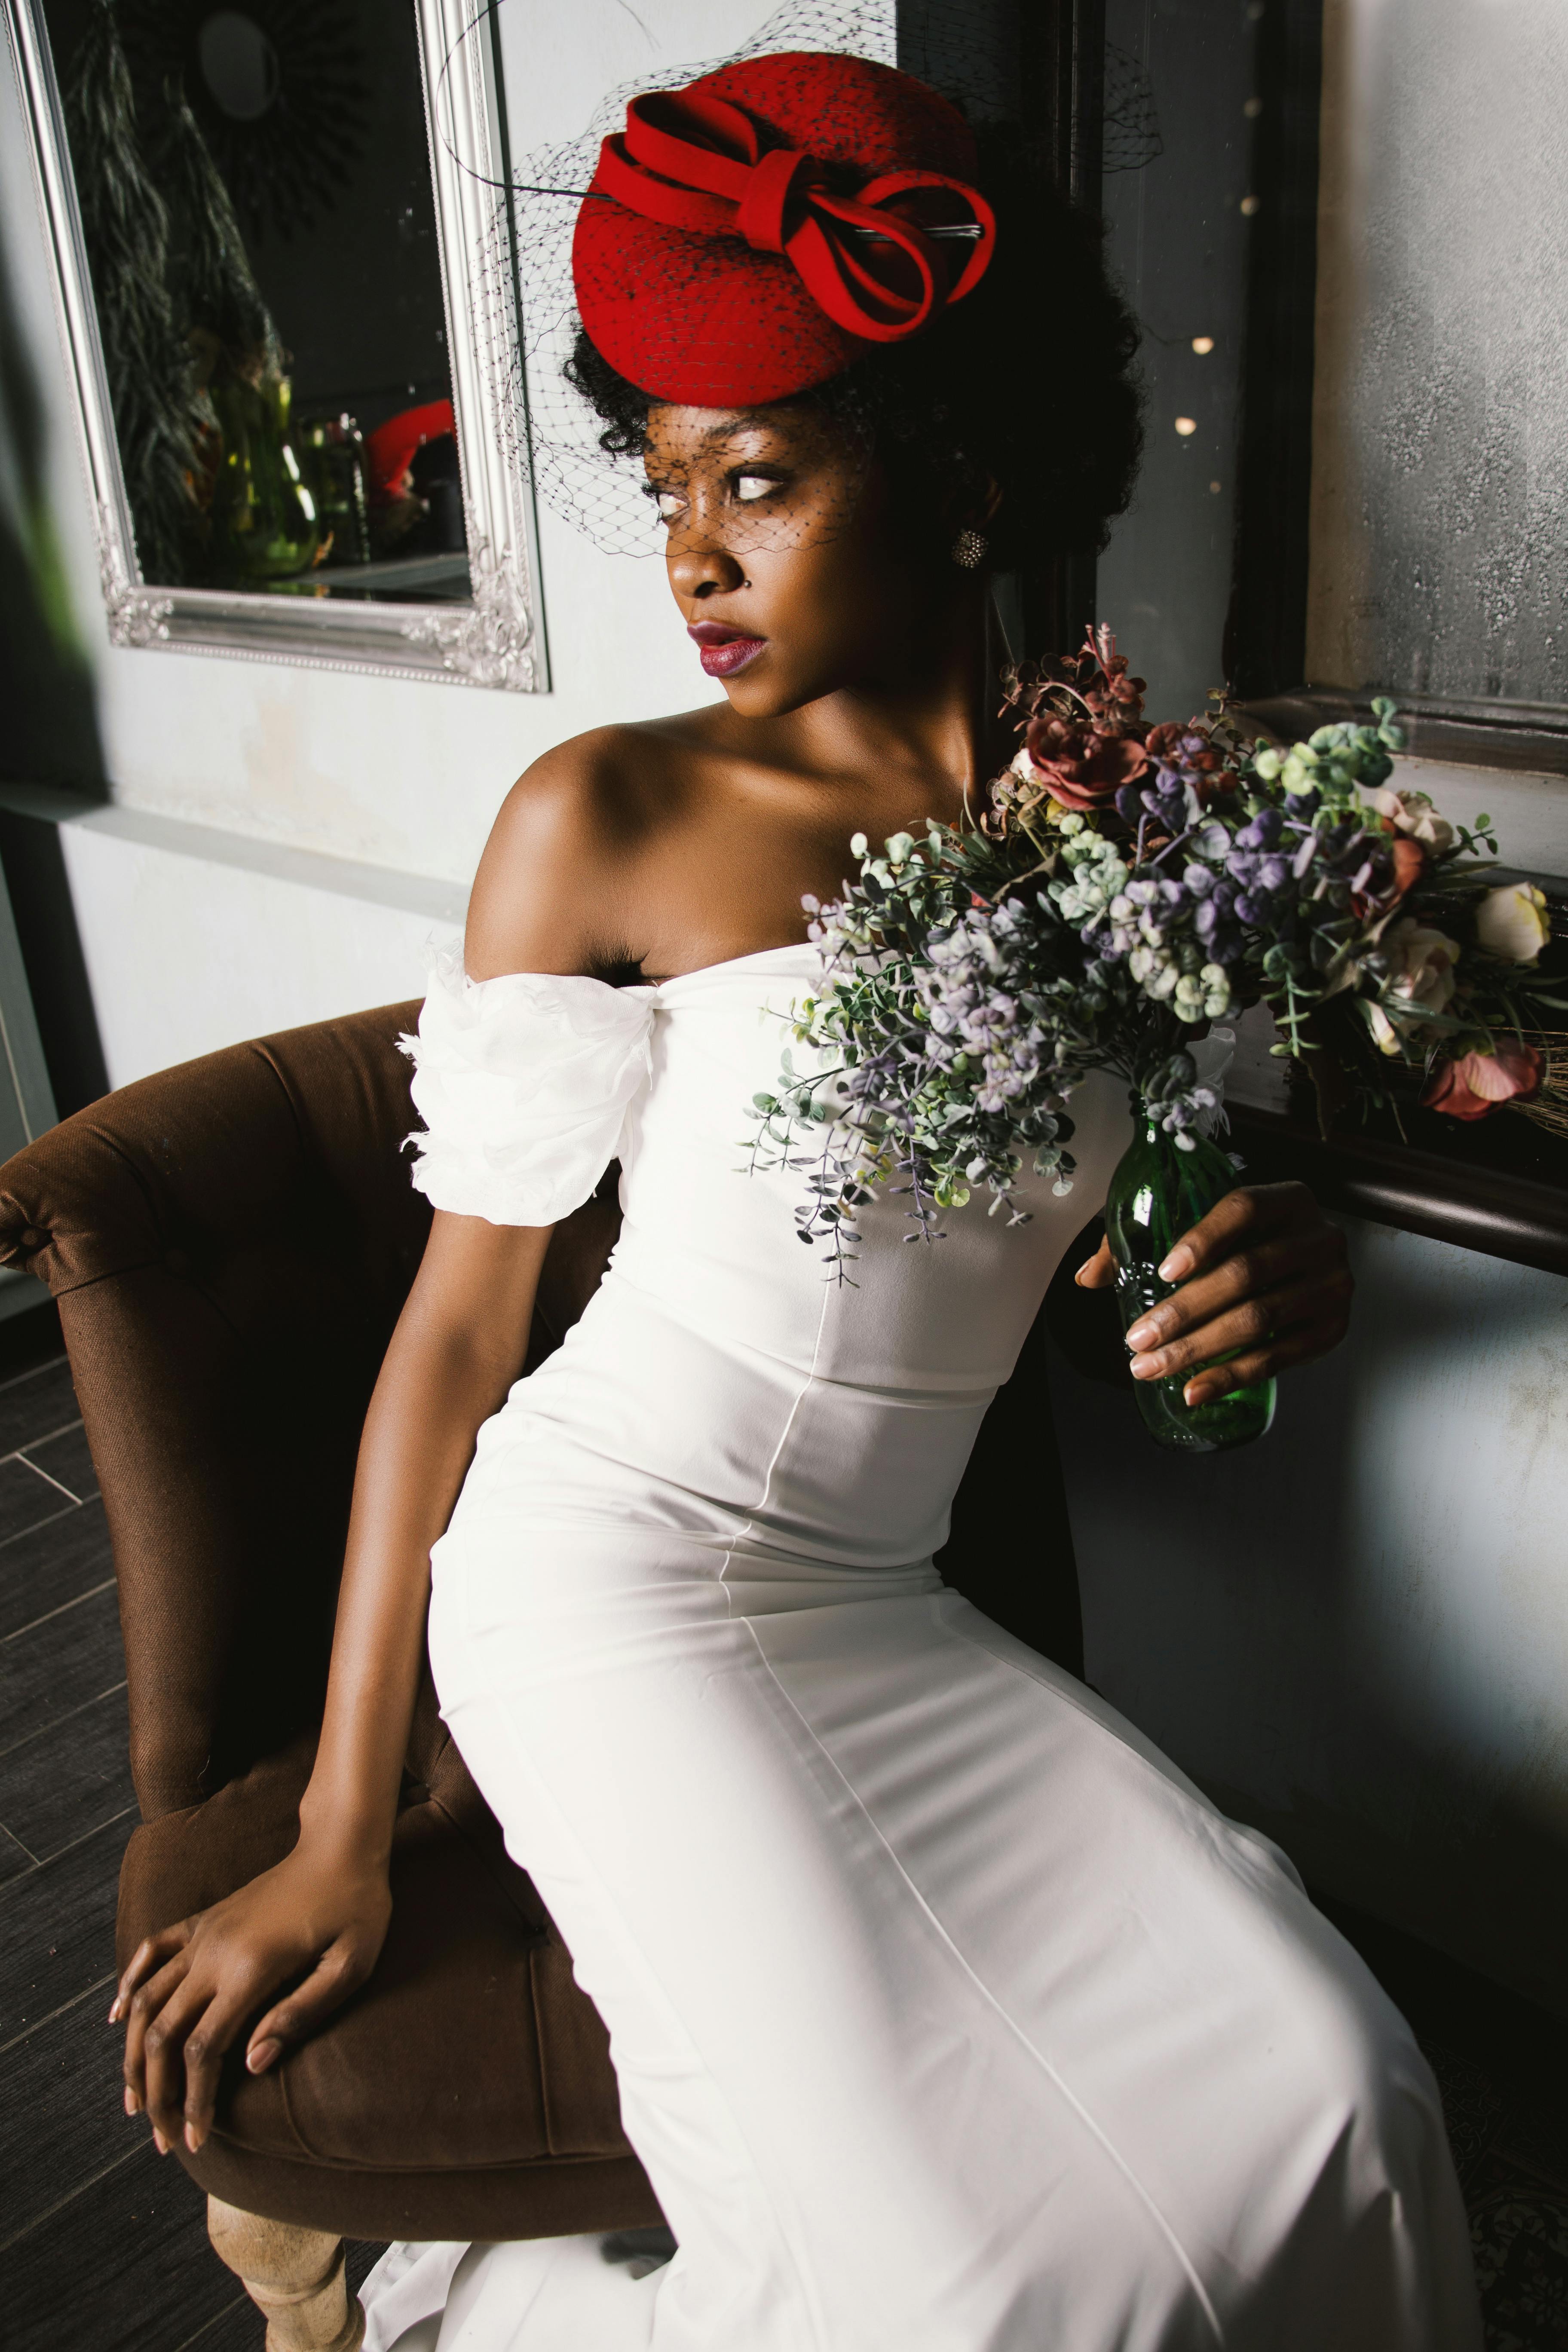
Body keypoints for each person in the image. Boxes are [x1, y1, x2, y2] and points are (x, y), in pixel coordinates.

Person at [110, 50, 1480, 2351]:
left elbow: (1089, 1265)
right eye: (664, 490)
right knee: (965, 2289)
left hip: (887, 1600)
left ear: (954, 476)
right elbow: (457, 1341)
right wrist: (347, 1825)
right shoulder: (611, 814)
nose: (694, 560)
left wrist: (1264, 1285)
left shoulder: (1129, 834)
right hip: (603, 1591)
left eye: (757, 478)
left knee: (1334, 2093)